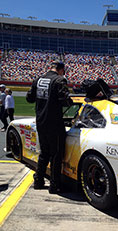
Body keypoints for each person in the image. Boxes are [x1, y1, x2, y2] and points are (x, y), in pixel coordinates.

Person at [26, 60, 73, 194]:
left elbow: (29, 98)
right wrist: (70, 101)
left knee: (44, 153)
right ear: (61, 69)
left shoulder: (38, 80)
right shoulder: (59, 80)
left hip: (40, 122)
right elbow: (65, 100)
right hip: (54, 123)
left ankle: (38, 181)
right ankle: (54, 185)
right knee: (56, 155)